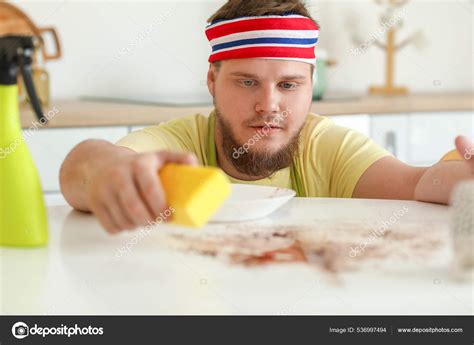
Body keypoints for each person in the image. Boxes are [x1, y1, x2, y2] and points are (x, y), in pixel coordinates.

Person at [59, 0, 473, 234]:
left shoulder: (324, 146)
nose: (269, 105)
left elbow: (419, 183)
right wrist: (110, 171)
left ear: (312, 85)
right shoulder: (181, 143)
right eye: (246, 82)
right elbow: (83, 167)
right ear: (211, 81)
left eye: (289, 85)